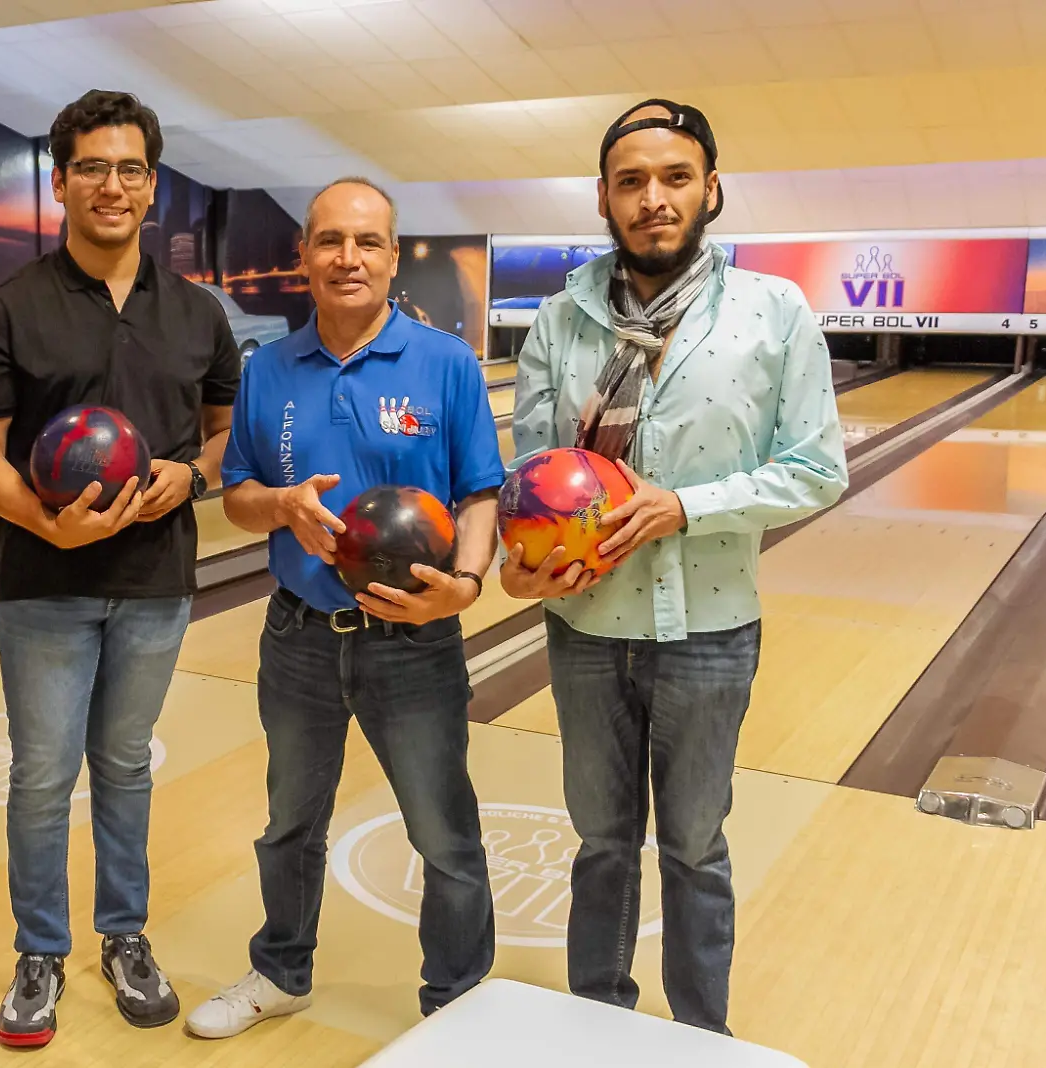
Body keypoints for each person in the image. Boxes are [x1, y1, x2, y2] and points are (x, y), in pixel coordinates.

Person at [504, 99, 846, 1034]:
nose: (653, 198)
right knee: (601, 843)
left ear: (712, 188)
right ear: (605, 199)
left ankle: (701, 1037)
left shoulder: (773, 312)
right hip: (582, 629)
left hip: (709, 629)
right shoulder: (562, 319)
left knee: (694, 847)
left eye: (675, 177)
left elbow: (819, 470)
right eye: (631, 182)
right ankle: (599, 1022)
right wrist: (520, 561)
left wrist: (684, 507)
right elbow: (530, 477)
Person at [0, 89, 242, 1050]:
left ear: (152, 185)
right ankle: (39, 949)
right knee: (41, 775)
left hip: (157, 580)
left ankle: (123, 936)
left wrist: (186, 477)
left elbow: (222, 437)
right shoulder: (9, 309)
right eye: (90, 168)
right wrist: (46, 521)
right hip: (44, 582)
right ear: (61, 180)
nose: (110, 186)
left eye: (129, 169)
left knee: (124, 765)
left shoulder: (198, 313)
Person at [186, 176, 505, 1039]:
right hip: (299, 634)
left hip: (413, 640)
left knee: (445, 837)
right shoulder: (269, 369)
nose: (347, 257)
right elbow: (238, 495)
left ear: (393, 256)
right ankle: (281, 972)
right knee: (289, 822)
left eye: (367, 241)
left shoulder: (445, 364)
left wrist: (465, 588)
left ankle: (458, 1004)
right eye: (330, 240)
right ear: (303, 258)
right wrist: (282, 506)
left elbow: (480, 495)